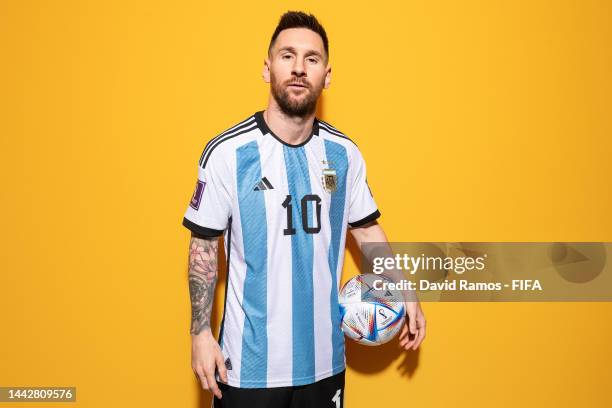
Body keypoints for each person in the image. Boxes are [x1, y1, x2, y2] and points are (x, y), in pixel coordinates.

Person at [182, 11, 426, 408]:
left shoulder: (343, 154)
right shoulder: (227, 153)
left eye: (311, 59)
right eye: (287, 56)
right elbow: (204, 248)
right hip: (245, 366)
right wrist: (199, 333)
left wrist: (403, 289)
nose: (298, 68)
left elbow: (365, 231)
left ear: (326, 75)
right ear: (267, 68)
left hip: (324, 363)